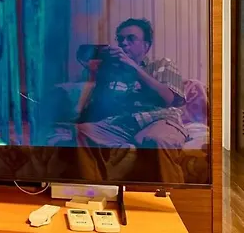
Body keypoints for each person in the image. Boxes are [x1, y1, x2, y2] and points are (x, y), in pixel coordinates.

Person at [75, 18, 187, 183]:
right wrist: (97, 72)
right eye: (120, 39)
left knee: (157, 140)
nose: (124, 43)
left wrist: (134, 68)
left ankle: (172, 196)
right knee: (82, 131)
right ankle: (95, 189)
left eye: (131, 39)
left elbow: (168, 98)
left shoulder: (161, 64)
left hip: (159, 119)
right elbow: (99, 108)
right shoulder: (114, 72)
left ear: (146, 46)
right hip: (124, 123)